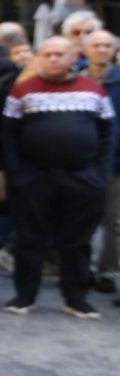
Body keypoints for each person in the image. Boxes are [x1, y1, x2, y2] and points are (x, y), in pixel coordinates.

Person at [1, 36, 114, 318]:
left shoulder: (94, 90)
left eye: (59, 55)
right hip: (34, 178)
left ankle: (76, 298)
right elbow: (9, 133)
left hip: (83, 177)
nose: (53, 59)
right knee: (29, 239)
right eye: (47, 54)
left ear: (74, 58)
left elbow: (107, 133)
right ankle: (24, 296)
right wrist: (17, 173)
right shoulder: (23, 90)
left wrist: (99, 172)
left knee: (77, 241)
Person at [83, 30, 120, 296]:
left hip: (114, 161)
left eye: (107, 45)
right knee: (78, 216)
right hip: (77, 159)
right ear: (86, 50)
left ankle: (106, 271)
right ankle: (78, 268)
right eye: (96, 45)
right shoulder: (74, 79)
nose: (102, 50)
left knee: (110, 219)